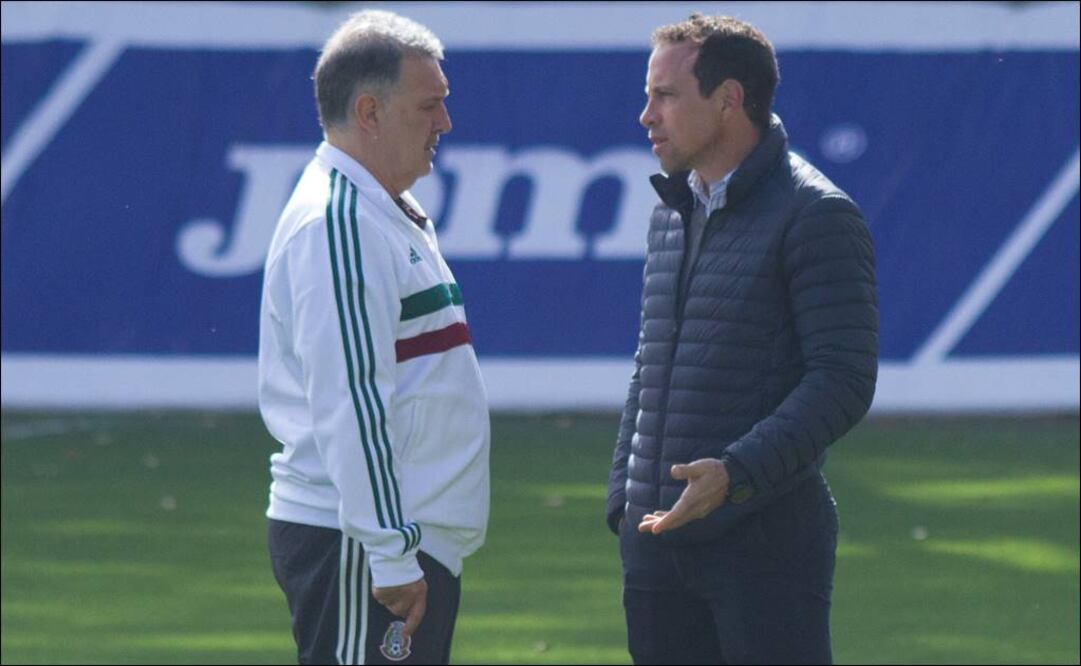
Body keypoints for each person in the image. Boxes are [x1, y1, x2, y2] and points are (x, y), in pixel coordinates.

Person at [606, 13, 878, 665]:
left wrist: (734, 476)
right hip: (654, 543)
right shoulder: (671, 212)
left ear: (728, 100)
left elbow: (842, 380)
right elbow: (652, 363)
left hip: (764, 546)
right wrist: (626, 493)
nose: (646, 115)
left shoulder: (817, 215)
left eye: (665, 96)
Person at [258, 10, 489, 665]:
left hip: (390, 539)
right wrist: (389, 551)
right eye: (430, 105)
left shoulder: (378, 211)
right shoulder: (340, 226)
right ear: (369, 111)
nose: (445, 123)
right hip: (362, 545)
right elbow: (350, 400)